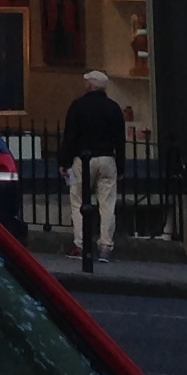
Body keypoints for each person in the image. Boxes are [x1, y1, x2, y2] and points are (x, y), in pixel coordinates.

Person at [61, 69, 127, 271]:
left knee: (78, 200)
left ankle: (81, 244)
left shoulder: (78, 106)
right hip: (107, 158)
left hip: (83, 159)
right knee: (107, 203)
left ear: (90, 85)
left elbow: (70, 136)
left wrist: (64, 161)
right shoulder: (114, 108)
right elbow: (120, 140)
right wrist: (121, 166)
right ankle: (106, 246)